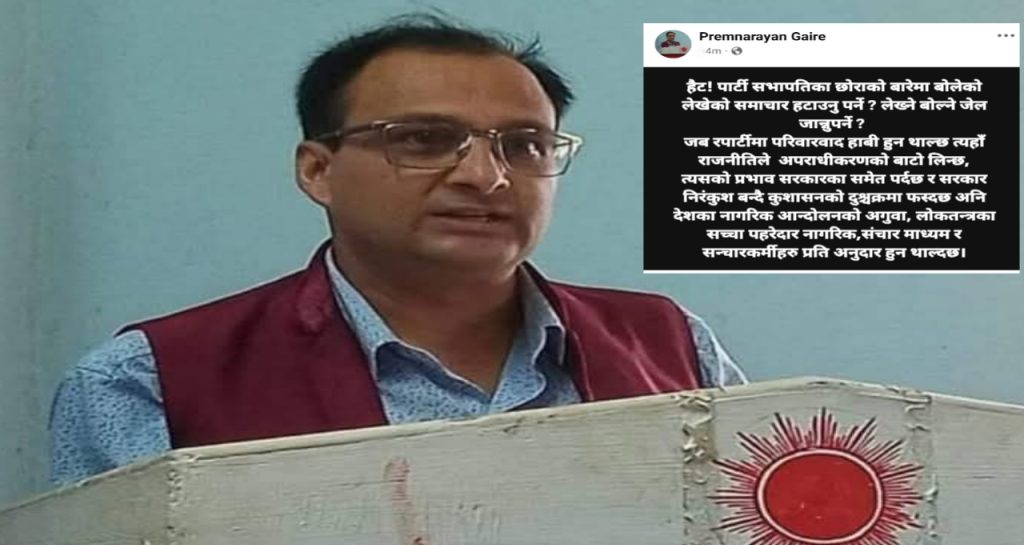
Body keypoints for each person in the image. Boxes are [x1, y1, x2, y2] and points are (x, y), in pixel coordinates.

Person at [49, 15, 745, 486]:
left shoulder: (672, 346)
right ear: (317, 170)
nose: (486, 176)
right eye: (423, 140)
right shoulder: (148, 380)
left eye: (525, 145)